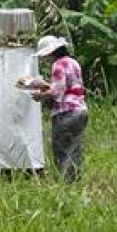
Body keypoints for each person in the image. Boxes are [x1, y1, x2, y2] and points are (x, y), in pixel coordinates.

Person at [30, 35, 87, 182]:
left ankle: (65, 182)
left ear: (50, 53)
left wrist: (40, 96)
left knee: (61, 150)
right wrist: (45, 85)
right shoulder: (73, 62)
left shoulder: (58, 65)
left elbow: (57, 92)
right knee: (74, 149)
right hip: (80, 110)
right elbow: (68, 86)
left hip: (65, 112)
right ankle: (74, 180)